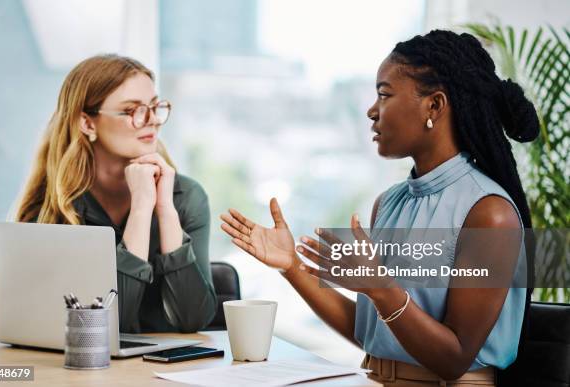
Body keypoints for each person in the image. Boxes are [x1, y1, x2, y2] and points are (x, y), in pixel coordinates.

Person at [221, 30, 539, 386]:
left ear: (433, 105)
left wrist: (381, 288)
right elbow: (373, 335)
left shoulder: (489, 214)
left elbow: (454, 358)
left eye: (384, 95)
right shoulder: (389, 203)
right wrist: (292, 266)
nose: (372, 111)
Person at [16, 54, 217, 333]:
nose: (152, 121)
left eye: (154, 106)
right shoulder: (53, 207)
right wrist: (141, 209)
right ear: (87, 123)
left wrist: (165, 211)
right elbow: (106, 327)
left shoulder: (186, 196)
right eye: (131, 110)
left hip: (169, 373)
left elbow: (193, 320)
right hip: (85, 371)